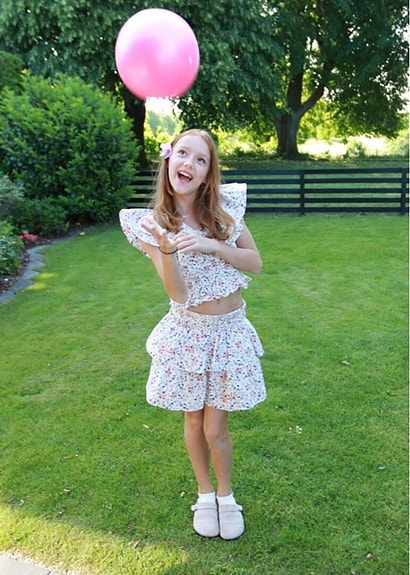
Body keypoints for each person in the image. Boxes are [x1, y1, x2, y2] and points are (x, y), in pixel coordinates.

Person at [119, 128, 266, 540]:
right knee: (194, 419)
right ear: (169, 159)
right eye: (183, 153)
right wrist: (168, 250)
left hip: (229, 331)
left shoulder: (223, 211)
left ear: (207, 173)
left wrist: (211, 245)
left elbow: (254, 263)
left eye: (201, 160)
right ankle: (204, 496)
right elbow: (178, 294)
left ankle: (226, 497)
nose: (189, 163)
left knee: (216, 428)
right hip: (189, 333)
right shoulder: (152, 225)